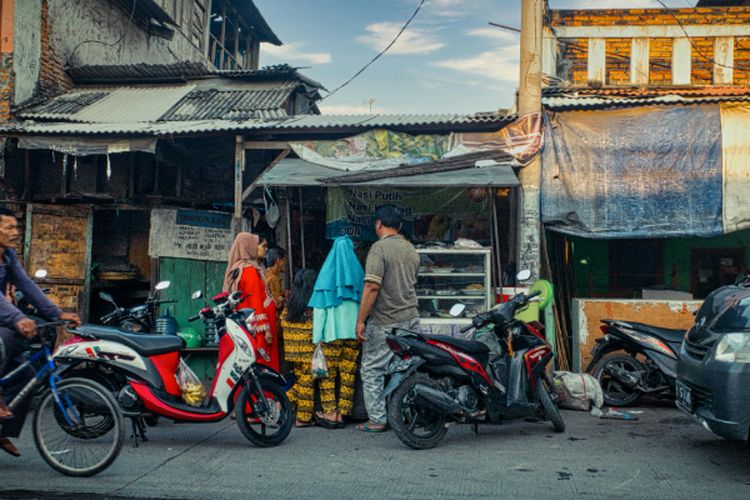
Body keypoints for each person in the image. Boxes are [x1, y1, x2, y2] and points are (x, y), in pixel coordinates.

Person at [0, 207, 80, 457]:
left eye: (16, 227)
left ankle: (2, 432)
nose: (15, 232)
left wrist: (57, 314)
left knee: (27, 375)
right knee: (5, 339)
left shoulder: (8, 257)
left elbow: (26, 285)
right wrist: (18, 317)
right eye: (9, 227)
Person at [355, 205, 420, 432]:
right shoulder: (411, 249)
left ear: (379, 224)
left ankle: (377, 419)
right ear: (400, 226)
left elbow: (372, 286)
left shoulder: (379, 249)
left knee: (372, 369)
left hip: (386, 320)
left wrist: (361, 320)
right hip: (411, 318)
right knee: (405, 368)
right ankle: (405, 413)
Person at [309, 236, 364, 428]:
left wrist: (317, 338)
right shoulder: (359, 274)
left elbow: (320, 310)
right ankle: (343, 412)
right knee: (348, 374)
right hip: (354, 335)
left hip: (331, 335)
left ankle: (330, 412)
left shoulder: (326, 275)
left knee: (328, 376)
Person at [223, 232, 279, 371]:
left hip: (249, 325)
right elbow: (255, 303)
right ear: (250, 246)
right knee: (261, 363)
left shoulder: (241, 268)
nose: (265, 249)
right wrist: (265, 331)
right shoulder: (249, 271)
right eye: (263, 246)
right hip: (257, 329)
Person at [280, 269, 319, 427]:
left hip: (293, 352)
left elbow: (282, 321)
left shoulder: (291, 304)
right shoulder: (313, 305)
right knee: (307, 383)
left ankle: (281, 402)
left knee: (302, 381)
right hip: (308, 351)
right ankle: (302, 417)